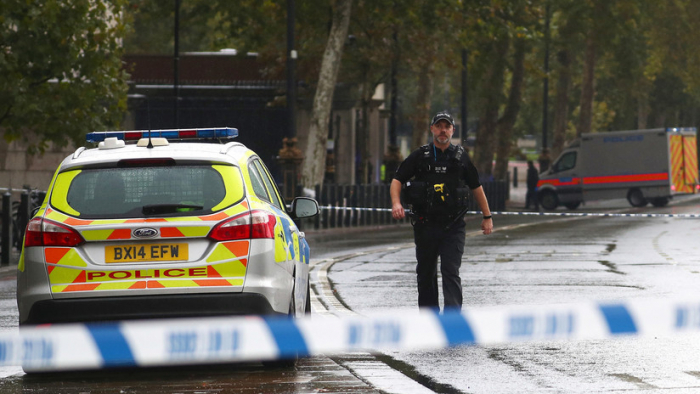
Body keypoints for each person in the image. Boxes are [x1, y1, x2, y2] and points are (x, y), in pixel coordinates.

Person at [390, 111, 493, 312]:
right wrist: (396, 203)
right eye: (439, 126)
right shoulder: (420, 156)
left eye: (447, 127)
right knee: (426, 273)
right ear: (432, 129)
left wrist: (487, 216)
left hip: (453, 225)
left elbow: (476, 187)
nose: (443, 130)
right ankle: (430, 319)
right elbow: (397, 180)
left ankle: (452, 320)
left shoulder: (461, 157)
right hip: (425, 224)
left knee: (450, 270)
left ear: (453, 130)